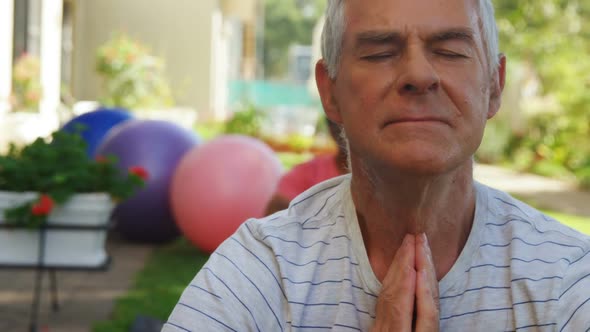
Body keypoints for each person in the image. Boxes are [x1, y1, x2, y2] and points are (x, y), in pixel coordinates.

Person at [163, 0, 590, 331]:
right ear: (330, 93)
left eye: (449, 50)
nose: (419, 74)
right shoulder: (262, 269)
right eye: (380, 52)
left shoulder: (567, 278)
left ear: (494, 86)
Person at [265, 117, 348, 215]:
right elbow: (276, 210)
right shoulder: (309, 172)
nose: (343, 131)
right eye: (337, 125)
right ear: (330, 129)